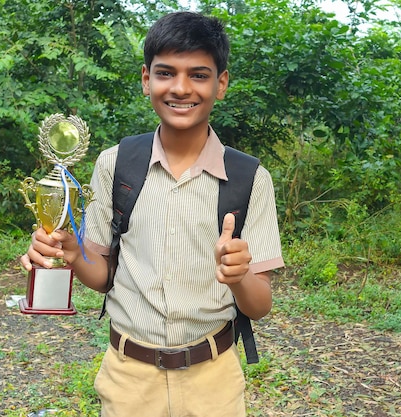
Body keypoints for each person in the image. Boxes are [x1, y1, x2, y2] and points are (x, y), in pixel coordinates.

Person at [20, 11, 284, 417]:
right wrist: (72, 253)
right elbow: (103, 276)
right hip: (128, 378)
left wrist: (239, 276)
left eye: (198, 74)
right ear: (146, 79)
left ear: (221, 83)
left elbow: (260, 304)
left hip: (214, 380)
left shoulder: (250, 178)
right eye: (166, 73)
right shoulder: (116, 164)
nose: (181, 88)